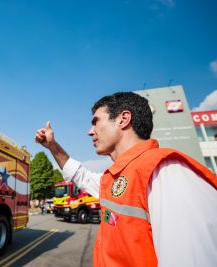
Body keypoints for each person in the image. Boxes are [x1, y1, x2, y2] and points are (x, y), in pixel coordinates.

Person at [35, 92, 217, 267]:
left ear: (123, 119)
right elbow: (80, 176)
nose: (90, 132)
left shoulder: (168, 173)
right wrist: (52, 146)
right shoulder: (116, 178)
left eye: (96, 122)